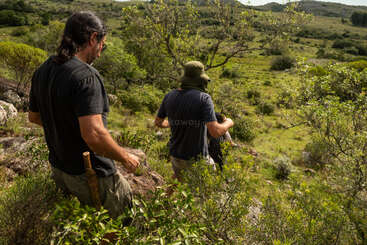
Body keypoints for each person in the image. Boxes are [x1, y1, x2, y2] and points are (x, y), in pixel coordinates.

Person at [28, 11, 140, 218]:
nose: (100, 52)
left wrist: (65, 127)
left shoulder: (42, 70)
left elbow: (34, 117)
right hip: (91, 174)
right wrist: (126, 157)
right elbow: (94, 136)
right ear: (92, 38)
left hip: (60, 169)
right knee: (121, 227)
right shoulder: (86, 76)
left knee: (82, 229)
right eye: (102, 45)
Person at [155, 61, 234, 181]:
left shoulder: (169, 96)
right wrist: (229, 122)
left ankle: (165, 198)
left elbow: (158, 122)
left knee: (179, 177)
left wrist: (173, 123)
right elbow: (215, 132)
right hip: (197, 158)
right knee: (208, 191)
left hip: (175, 155)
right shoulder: (204, 98)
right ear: (201, 80)